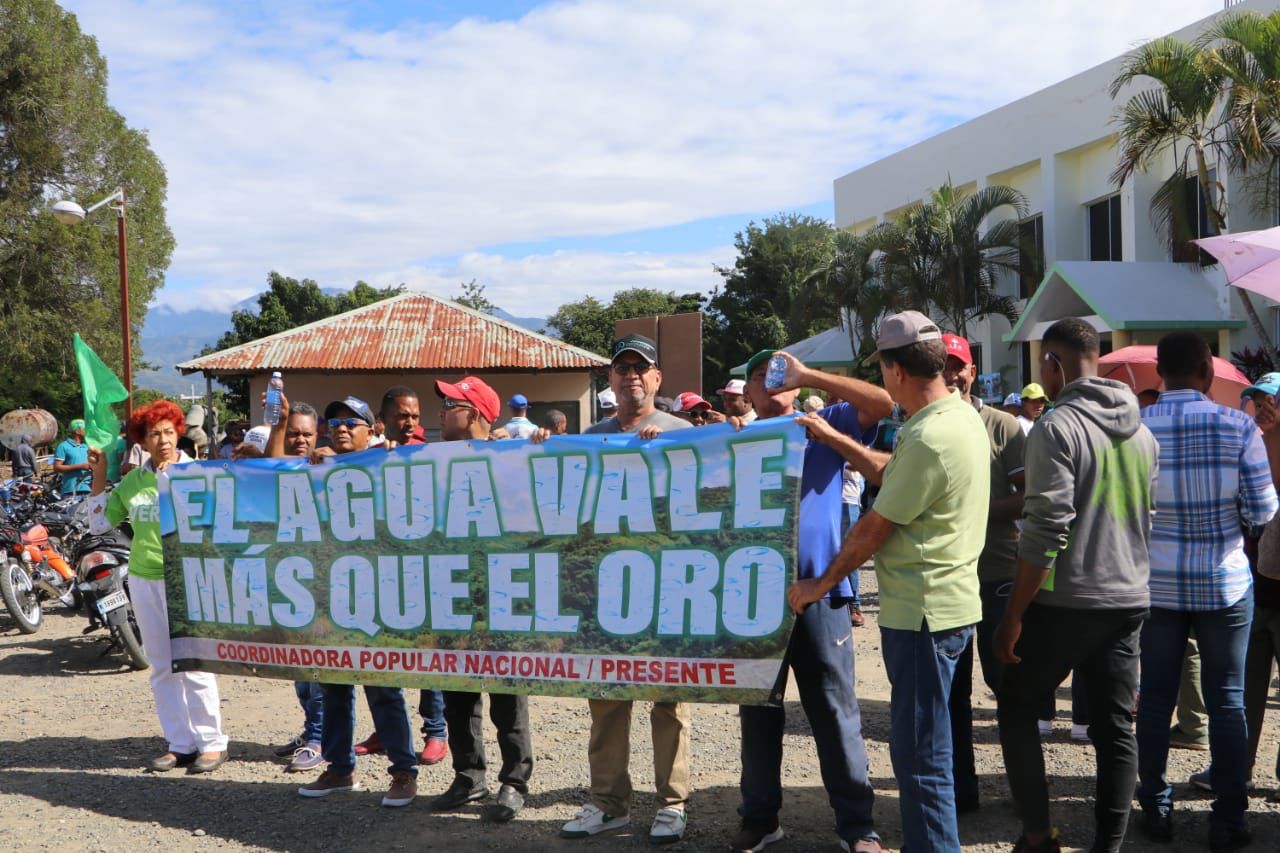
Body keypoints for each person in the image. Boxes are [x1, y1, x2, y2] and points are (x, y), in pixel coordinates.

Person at [789, 312, 988, 853]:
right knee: (932, 750)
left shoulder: (929, 435)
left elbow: (875, 528)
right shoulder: (958, 417)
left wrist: (818, 584)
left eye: (881, 368)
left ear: (896, 371)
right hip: (949, 606)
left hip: (922, 615)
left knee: (921, 760)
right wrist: (835, 437)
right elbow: (895, 476)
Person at [993, 318, 1159, 853]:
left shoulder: (1056, 427)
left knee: (1017, 704)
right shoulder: (1143, 431)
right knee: (1114, 730)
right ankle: (1109, 846)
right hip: (1129, 597)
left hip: (1065, 601)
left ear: (1054, 364)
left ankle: (1038, 837)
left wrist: (1014, 614)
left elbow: (1044, 528)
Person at [734, 348, 892, 853]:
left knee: (834, 708)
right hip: (753, 597)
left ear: (798, 384)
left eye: (779, 373)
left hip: (822, 592)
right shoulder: (735, 437)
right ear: (748, 393)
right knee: (758, 712)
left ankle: (857, 826)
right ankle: (760, 818)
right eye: (759, 376)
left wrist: (814, 385)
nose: (771, 381)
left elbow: (883, 402)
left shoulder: (828, 420)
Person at [1134, 332, 1276, 849]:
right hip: (1224, 584)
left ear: (1158, 372)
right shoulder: (1239, 426)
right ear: (1206, 372)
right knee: (1228, 702)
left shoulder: (1134, 429)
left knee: (1154, 700)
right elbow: (1262, 513)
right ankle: (1229, 820)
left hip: (1157, 586)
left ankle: (1156, 809)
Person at [559, 333, 692, 844]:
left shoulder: (685, 432)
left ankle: (673, 803)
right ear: (610, 380)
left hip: (669, 589)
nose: (631, 375)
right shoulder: (593, 436)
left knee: (669, 701)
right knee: (607, 697)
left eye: (641, 368)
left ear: (658, 379)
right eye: (622, 368)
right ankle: (608, 802)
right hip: (607, 590)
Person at [85, 401, 228, 774]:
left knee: (195, 663)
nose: (162, 440)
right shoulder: (133, 482)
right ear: (142, 442)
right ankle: (180, 743)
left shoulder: (197, 473)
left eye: (168, 432)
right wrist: (100, 475)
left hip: (188, 576)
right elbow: (100, 526)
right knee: (162, 666)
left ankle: (212, 744)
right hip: (145, 578)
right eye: (154, 434)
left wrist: (173, 479)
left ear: (178, 432)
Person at [297, 395, 419, 808]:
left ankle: (403, 771)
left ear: (373, 430)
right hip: (331, 599)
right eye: (335, 423)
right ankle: (339, 768)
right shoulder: (316, 469)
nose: (342, 428)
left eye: (353, 422)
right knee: (333, 689)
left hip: (378, 600)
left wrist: (387, 455)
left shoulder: (390, 465)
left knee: (384, 690)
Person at [428, 376, 533, 823]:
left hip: (502, 592)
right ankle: (469, 776)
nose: (441, 411)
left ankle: (514, 781)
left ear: (473, 413)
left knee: (507, 694)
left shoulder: (514, 457)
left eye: (450, 403)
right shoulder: (427, 461)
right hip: (451, 592)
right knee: (457, 694)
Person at [938, 333, 1027, 814]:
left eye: (959, 366)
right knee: (952, 691)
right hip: (947, 576)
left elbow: (1028, 496)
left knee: (1005, 684)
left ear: (973, 371)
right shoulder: (921, 423)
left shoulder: (1003, 426)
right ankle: (961, 790)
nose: (952, 375)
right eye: (943, 366)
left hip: (995, 572)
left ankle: (1023, 789)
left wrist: (975, 510)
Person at [356, 385, 448, 767]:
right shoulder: (372, 459)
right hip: (382, 575)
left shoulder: (438, 454)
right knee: (381, 657)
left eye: (414, 415)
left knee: (430, 656)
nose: (409, 422)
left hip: (427, 572)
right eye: (401, 416)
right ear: (383, 421)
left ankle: (436, 731)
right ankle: (387, 730)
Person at [261, 400, 326, 773]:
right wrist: (279, 425)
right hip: (287, 581)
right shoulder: (281, 470)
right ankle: (310, 730)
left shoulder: (328, 468)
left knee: (317, 669)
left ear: (318, 435)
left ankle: (319, 739)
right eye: (294, 433)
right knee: (299, 669)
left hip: (319, 583)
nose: (300, 440)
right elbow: (271, 461)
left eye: (307, 434)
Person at [53, 419, 93, 497]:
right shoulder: (63, 446)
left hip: (88, 489)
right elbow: (56, 467)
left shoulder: (86, 446)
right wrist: (80, 466)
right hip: (70, 491)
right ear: (77, 431)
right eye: (85, 429)